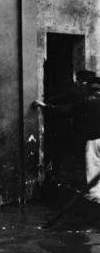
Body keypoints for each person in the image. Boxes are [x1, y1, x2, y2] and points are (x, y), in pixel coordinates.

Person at [34, 71, 100, 204]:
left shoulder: (87, 101)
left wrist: (45, 106)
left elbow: (65, 111)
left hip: (92, 140)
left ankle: (96, 198)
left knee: (93, 166)